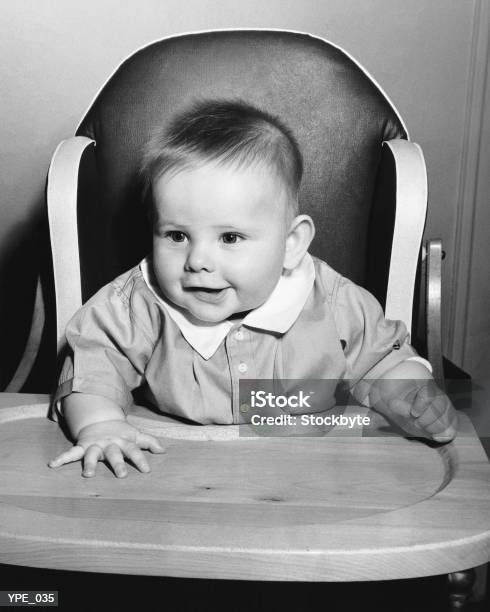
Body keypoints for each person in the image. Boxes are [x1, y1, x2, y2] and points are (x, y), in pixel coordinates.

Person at [48, 99, 458, 478]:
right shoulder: (138, 303)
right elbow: (91, 369)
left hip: (313, 477)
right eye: (176, 236)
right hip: (178, 478)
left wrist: (410, 396)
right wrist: (101, 425)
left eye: (229, 238)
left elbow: (382, 359)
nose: (197, 260)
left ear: (291, 244)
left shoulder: (330, 301)